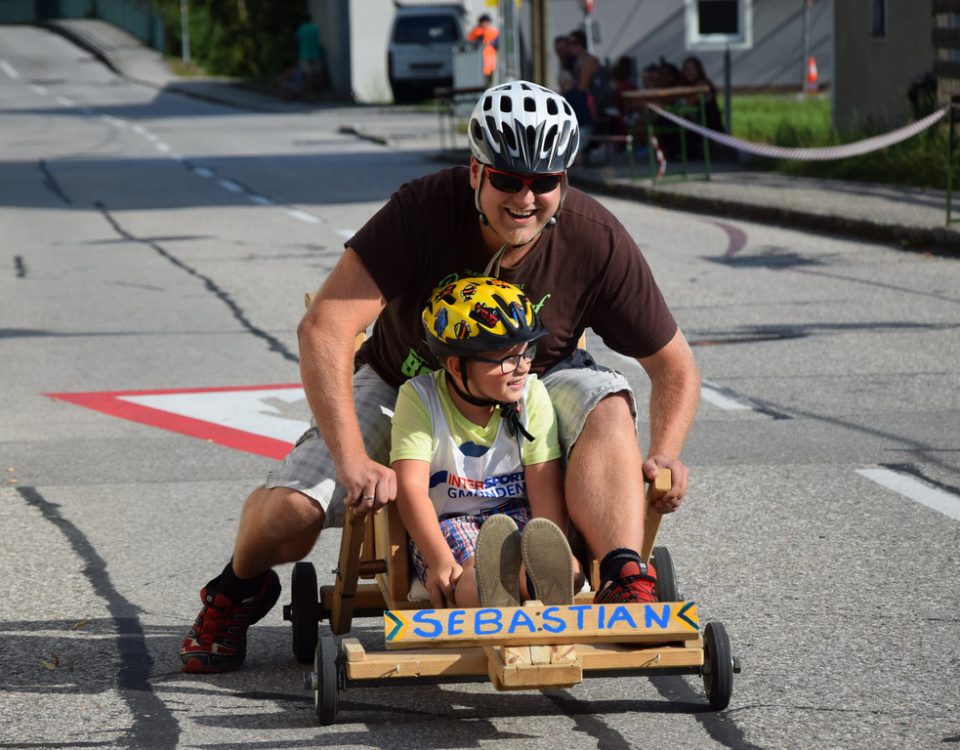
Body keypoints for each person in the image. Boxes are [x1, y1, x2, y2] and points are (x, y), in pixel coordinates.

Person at [179, 80, 700, 674]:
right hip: (406, 384)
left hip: (532, 384)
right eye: (507, 179)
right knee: (291, 514)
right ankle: (236, 588)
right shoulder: (421, 210)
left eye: (544, 182)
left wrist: (665, 455)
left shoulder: (594, 236)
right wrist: (351, 460)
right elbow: (323, 328)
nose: (525, 197)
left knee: (607, 399)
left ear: (565, 180)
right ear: (476, 171)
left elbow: (674, 365)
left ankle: (622, 576)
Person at [393, 277, 580, 609]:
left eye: (527, 353)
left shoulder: (530, 393)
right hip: (448, 523)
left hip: (517, 514)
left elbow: (543, 481)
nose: (522, 367)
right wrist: (437, 558)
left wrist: (556, 542)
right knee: (468, 573)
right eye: (507, 359)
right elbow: (411, 488)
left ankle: (541, 581)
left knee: (532, 555)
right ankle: (493, 591)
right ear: (456, 365)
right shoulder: (419, 398)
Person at [557, 69, 594, 164]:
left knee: (573, 146)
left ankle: (578, 167)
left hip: (581, 128)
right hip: (588, 126)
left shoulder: (567, 97)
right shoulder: (579, 92)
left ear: (562, 83)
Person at [295, 14, 325, 95]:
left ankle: (310, 93)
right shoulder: (315, 27)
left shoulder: (302, 28)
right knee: (317, 74)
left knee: (308, 75)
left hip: (305, 54)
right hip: (316, 53)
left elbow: (297, 40)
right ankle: (319, 92)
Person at [466, 13, 499, 83]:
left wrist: (492, 43)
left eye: (486, 22)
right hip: (478, 59)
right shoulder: (476, 32)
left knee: (489, 80)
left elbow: (498, 43)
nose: (485, 24)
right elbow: (469, 42)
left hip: (490, 59)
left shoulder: (493, 32)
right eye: (483, 22)